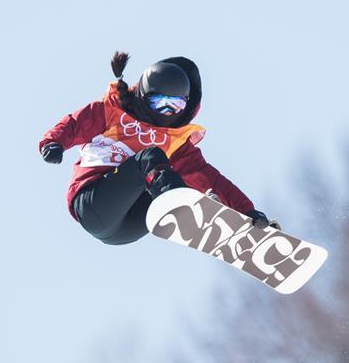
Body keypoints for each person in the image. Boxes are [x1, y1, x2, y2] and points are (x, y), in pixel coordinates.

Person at [39, 52, 278, 245]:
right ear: (143, 96)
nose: (165, 112)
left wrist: (247, 211)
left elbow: (211, 178)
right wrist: (53, 143)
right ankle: (178, 201)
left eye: (174, 106)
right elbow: (73, 124)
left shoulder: (176, 142)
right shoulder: (110, 112)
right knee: (150, 157)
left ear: (185, 107)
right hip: (92, 202)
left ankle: (196, 208)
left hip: (128, 228)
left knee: (182, 178)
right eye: (158, 103)